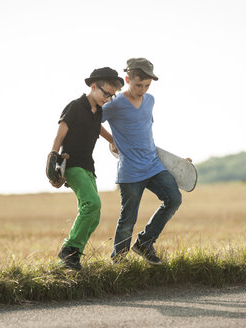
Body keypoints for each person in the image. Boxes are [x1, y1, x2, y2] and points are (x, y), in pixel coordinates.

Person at [100, 58, 186, 265]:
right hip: (130, 171)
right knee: (128, 218)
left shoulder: (150, 101)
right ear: (128, 79)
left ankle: (145, 243)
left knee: (174, 199)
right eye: (139, 85)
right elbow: (92, 122)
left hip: (154, 165)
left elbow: (144, 132)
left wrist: (175, 163)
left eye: (147, 86)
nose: (143, 90)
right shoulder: (114, 104)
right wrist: (112, 140)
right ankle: (118, 261)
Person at [48, 67, 124, 271]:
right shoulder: (75, 106)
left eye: (111, 95)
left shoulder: (97, 111)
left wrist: (113, 140)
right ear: (93, 86)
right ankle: (69, 251)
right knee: (91, 204)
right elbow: (60, 133)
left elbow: (97, 128)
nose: (107, 98)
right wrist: (53, 159)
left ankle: (70, 259)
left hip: (88, 166)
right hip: (71, 164)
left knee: (94, 212)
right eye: (105, 93)